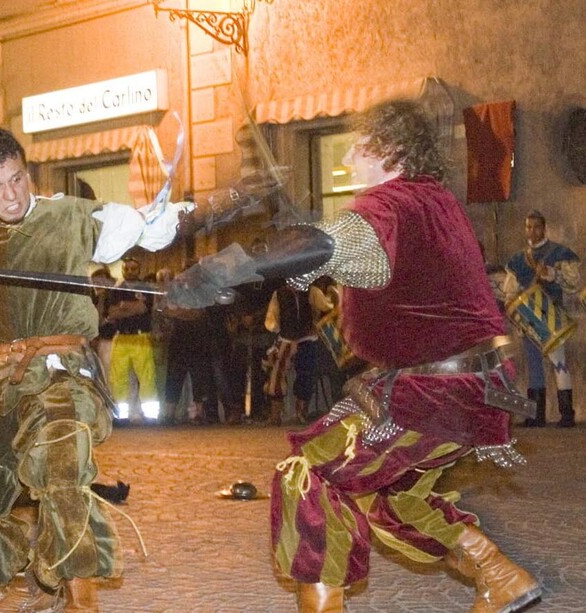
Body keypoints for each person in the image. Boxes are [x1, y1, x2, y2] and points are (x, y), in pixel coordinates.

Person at [236, 101, 539, 612]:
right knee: (392, 498)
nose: (349, 157)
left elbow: (343, 246)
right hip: (473, 382)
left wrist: (239, 267)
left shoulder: (387, 206)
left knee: (308, 473)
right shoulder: (433, 200)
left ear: (393, 151)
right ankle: (498, 573)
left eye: (360, 146)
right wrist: (296, 262)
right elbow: (363, 267)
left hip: (436, 389)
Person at [0, 127, 191, 611]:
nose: (11, 195)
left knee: (60, 463)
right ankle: (22, 585)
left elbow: (151, 228)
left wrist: (197, 216)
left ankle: (79, 597)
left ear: (27, 172)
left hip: (57, 372)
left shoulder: (70, 218)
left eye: (18, 179)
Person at [503, 210, 580, 427]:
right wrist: (512, 303)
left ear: (544, 228)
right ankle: (537, 416)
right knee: (534, 365)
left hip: (552, 316)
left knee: (559, 363)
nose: (532, 231)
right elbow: (510, 290)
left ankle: (567, 415)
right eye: (528, 226)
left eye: (536, 227)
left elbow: (573, 284)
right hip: (528, 320)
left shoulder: (559, 253)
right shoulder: (518, 260)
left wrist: (552, 274)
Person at [262, 284, 330, 425]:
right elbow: (272, 320)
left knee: (306, 374)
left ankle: (301, 413)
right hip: (286, 338)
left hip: (307, 338)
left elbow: (327, 306)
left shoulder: (312, 291)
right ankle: (275, 416)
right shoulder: (279, 293)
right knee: (277, 373)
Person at [104, 257, 160, 422]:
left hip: (141, 336)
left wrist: (123, 307)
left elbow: (144, 308)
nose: (129, 272)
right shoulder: (116, 289)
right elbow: (112, 313)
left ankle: (150, 416)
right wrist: (133, 308)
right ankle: (121, 416)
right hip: (121, 337)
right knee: (118, 377)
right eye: (126, 269)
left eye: (133, 269)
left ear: (139, 270)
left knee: (147, 377)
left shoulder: (146, 288)